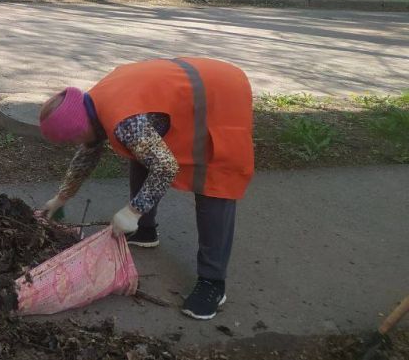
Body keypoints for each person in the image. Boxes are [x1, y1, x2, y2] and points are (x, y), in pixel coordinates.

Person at [38, 57, 254, 320]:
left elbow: (165, 167)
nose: (74, 145)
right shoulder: (92, 105)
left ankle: (213, 283)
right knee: (140, 152)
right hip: (196, 86)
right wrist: (62, 197)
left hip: (221, 96)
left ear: (79, 127)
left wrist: (133, 211)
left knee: (214, 181)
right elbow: (89, 151)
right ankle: (146, 232)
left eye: (71, 140)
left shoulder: (125, 121)